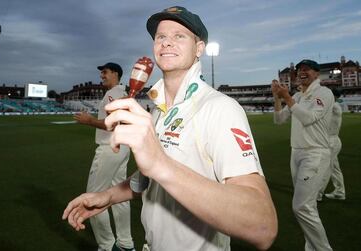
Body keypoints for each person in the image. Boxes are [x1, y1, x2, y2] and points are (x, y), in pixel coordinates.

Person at [64, 6, 277, 251]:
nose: (166, 43)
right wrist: (108, 196)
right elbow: (151, 177)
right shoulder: (158, 110)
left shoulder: (220, 109)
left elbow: (263, 226)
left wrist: (159, 164)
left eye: (179, 36)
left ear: (199, 49)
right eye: (161, 37)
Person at [272, 59, 334, 251]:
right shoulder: (299, 95)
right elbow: (279, 120)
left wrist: (287, 98)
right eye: (299, 69)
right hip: (296, 152)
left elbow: (308, 118)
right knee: (308, 206)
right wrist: (277, 98)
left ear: (317, 74)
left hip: (315, 153)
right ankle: (311, 248)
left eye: (306, 69)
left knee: (301, 207)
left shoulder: (323, 93)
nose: (301, 72)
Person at [73, 62, 135, 251]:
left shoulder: (113, 94)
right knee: (120, 197)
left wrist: (89, 120)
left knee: (92, 197)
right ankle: (125, 244)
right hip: (122, 147)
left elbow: (114, 123)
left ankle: (107, 246)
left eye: (105, 72)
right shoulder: (118, 93)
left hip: (110, 148)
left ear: (115, 73)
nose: (102, 75)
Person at [319, 89, 346, 200]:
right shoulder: (333, 105)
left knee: (326, 168)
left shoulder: (334, 106)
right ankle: (340, 192)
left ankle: (317, 194)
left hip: (331, 142)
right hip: (331, 141)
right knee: (334, 168)